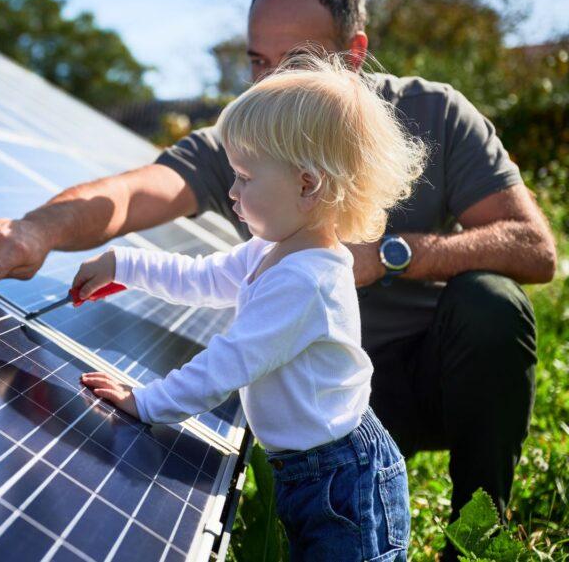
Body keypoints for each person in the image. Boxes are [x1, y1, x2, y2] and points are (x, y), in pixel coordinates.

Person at [0, 0, 557, 527]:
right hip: (306, 401)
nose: (270, 81)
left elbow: (534, 247)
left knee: (492, 303)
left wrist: (387, 255)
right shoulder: (251, 138)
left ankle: (480, 531)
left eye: (295, 60)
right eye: (257, 61)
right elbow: (135, 196)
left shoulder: (435, 113)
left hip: (423, 380)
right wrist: (38, 229)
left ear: (352, 56)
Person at [75, 55, 424, 559]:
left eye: (244, 176)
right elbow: (201, 277)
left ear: (308, 184)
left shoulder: (307, 280)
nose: (233, 193)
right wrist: (123, 264)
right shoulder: (270, 249)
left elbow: (229, 362)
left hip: (344, 481)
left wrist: (146, 403)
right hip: (312, 470)